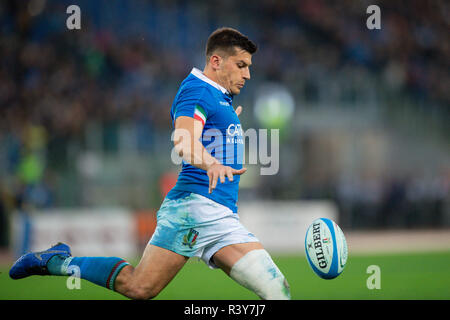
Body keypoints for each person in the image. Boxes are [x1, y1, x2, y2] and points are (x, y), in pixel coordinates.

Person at [9, 27, 291, 300]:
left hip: (216, 214)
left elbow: (204, 134)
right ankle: (56, 262)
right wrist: (212, 164)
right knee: (273, 289)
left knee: (141, 287)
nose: (248, 74)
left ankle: (55, 261)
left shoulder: (219, 98)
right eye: (241, 65)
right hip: (197, 209)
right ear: (216, 61)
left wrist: (228, 127)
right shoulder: (197, 90)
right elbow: (183, 141)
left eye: (249, 66)